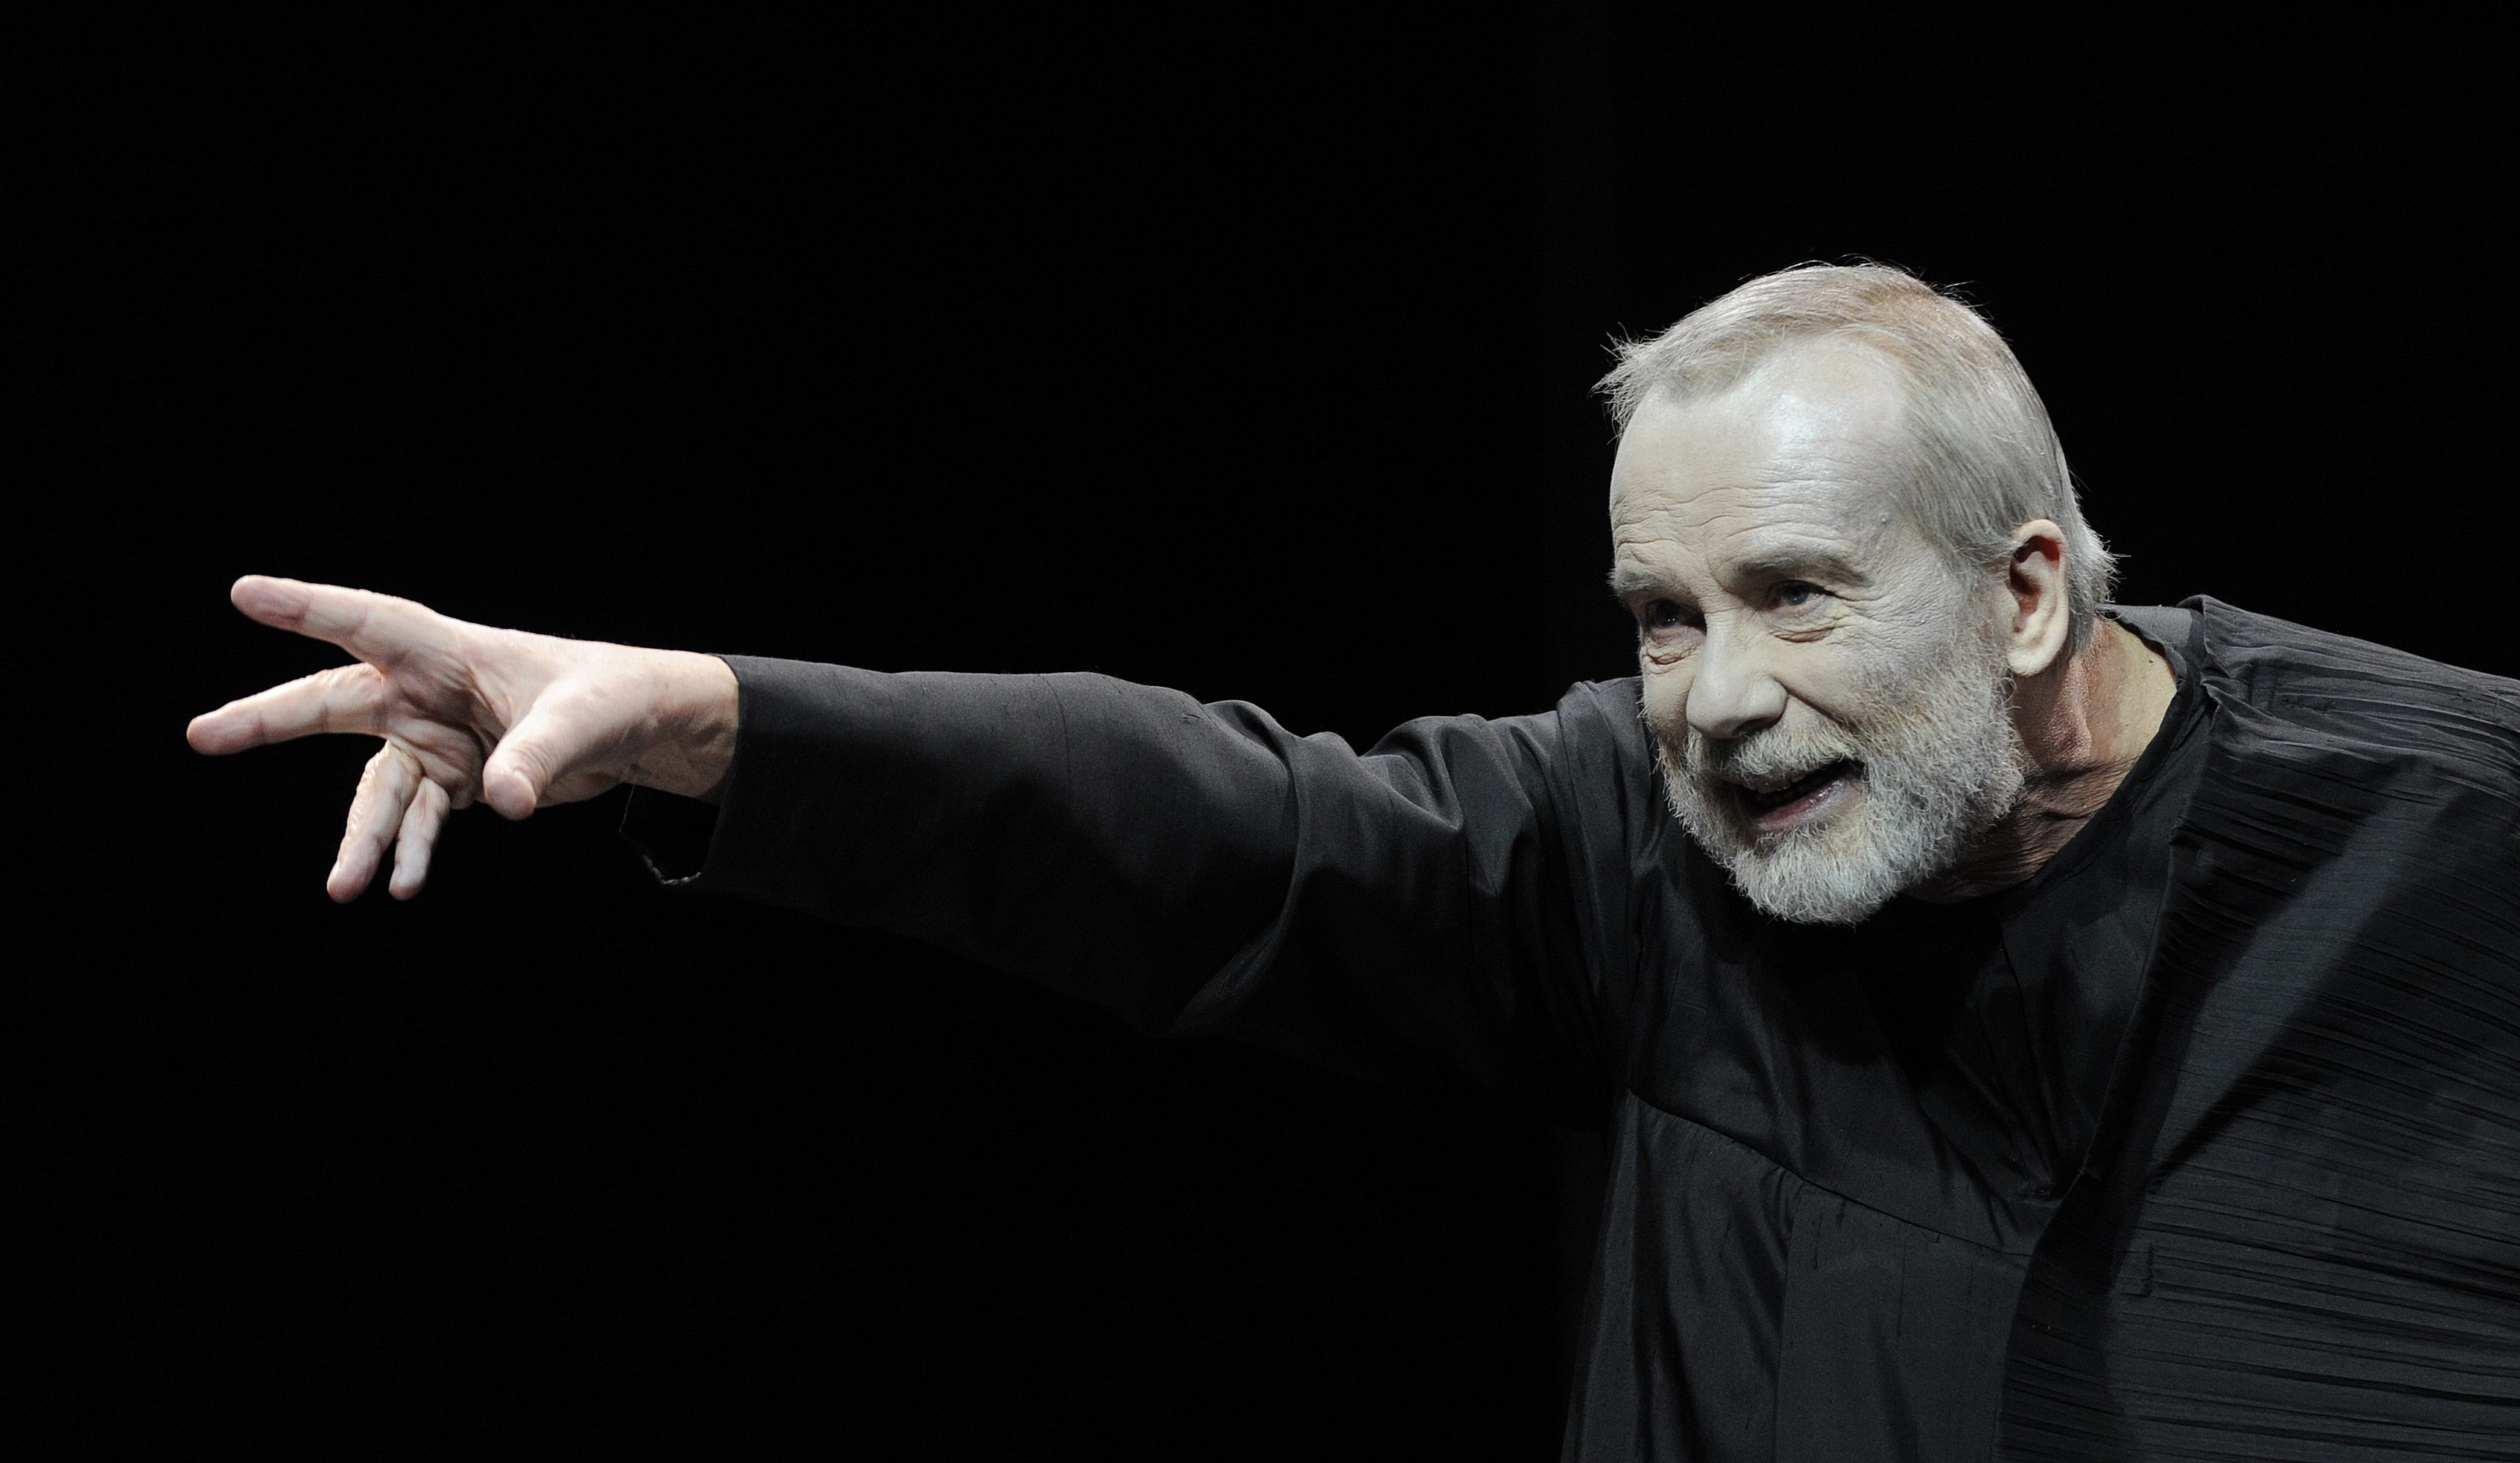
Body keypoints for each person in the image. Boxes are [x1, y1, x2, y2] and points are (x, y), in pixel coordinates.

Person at [190, 266, 2518, 1459]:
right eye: (1660, 618)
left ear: (2022, 594)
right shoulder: (1647, 849)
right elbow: (1238, 829)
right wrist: (716, 720)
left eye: (1795, 598)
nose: (1713, 698)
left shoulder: (2450, 837)